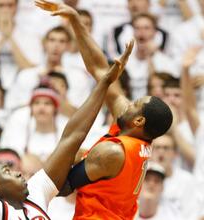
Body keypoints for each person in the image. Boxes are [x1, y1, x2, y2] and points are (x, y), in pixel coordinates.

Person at [0, 32, 128, 219]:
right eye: (7, 171)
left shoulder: (36, 192)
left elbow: (72, 138)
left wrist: (104, 84)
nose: (18, 173)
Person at [35, 1, 173, 219]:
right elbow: (100, 70)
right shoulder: (136, 135)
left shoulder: (113, 152)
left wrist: (76, 154)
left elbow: (62, 187)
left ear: (138, 121)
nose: (128, 103)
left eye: (134, 103)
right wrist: (75, 21)